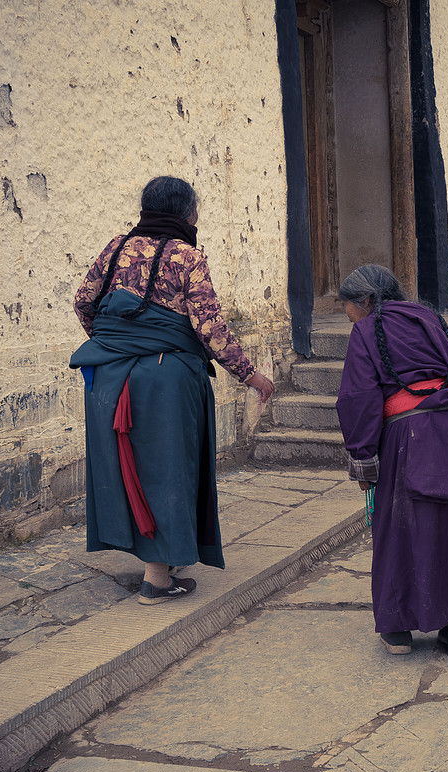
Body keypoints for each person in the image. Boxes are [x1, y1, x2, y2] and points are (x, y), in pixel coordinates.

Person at [71, 176, 275, 604]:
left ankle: (158, 557)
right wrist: (251, 375)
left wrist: (115, 344)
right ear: (187, 214)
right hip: (165, 377)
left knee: (123, 467)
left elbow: (83, 301)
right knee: (167, 469)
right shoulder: (186, 256)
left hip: (107, 377)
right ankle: (157, 579)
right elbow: (210, 328)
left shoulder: (115, 247)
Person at [335, 264, 448, 658]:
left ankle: (399, 630)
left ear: (367, 300)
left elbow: (358, 398)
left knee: (403, 528)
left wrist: (363, 457)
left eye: (347, 304)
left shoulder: (367, 330)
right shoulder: (430, 318)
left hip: (406, 438)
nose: (345, 313)